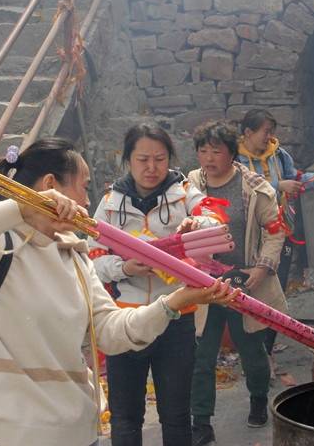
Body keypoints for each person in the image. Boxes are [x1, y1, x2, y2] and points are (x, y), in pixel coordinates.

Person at [0, 137, 234, 446]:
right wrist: (21, 209)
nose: (86, 201)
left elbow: (110, 330)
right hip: (6, 437)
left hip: (78, 434)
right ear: (51, 186)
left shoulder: (74, 255)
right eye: (83, 186)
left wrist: (176, 301)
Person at [92, 124, 223, 446]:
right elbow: (91, 262)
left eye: (160, 159)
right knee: (125, 416)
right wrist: (123, 267)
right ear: (128, 160)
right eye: (142, 159)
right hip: (123, 318)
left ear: (170, 159)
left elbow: (215, 217)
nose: (151, 168)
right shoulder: (110, 203)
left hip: (177, 317)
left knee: (177, 414)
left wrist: (197, 224)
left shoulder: (185, 193)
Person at [187, 120, 288, 446]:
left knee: (250, 348)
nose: (209, 158)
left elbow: (275, 231)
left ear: (232, 153)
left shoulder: (256, 187)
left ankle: (258, 397)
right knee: (202, 355)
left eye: (216, 150)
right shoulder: (189, 186)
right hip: (202, 282)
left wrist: (262, 268)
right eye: (203, 150)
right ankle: (201, 422)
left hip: (243, 280)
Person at [236, 108, 314, 354]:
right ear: (247, 132)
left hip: (279, 233)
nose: (269, 137)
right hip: (249, 235)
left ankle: (266, 349)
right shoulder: (235, 159)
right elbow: (242, 187)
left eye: (271, 132)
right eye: (265, 132)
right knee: (250, 291)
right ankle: (250, 348)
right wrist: (278, 185)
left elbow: (295, 178)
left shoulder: (279, 155)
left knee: (276, 290)